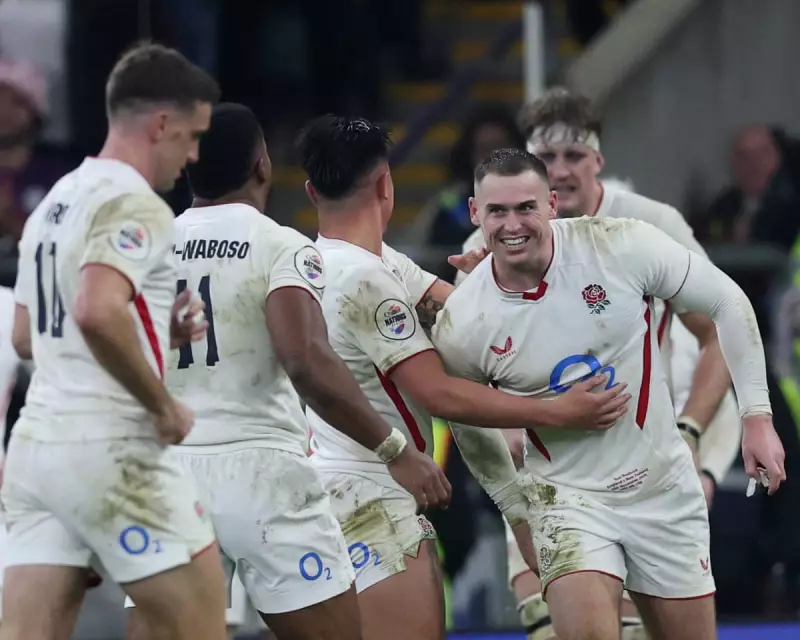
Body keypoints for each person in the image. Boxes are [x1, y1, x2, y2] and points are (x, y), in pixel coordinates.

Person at [296, 114, 633, 640]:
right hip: (372, 496)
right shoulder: (369, 279)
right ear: (387, 184)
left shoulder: (328, 261)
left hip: (319, 486)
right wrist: (555, 411)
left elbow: (458, 315)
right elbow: (440, 392)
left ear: (312, 190)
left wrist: (488, 286)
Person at [124, 103, 451, 640]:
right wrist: (395, 450)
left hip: (170, 468)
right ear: (262, 167)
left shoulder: (150, 248)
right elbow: (305, 358)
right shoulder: (282, 245)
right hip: (262, 474)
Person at [433, 148, 786, 640]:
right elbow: (463, 416)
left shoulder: (620, 245)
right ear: (476, 214)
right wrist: (518, 513)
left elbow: (728, 301)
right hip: (566, 499)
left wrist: (757, 418)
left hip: (662, 488)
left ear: (552, 204)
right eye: (497, 211)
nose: (513, 224)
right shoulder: (463, 321)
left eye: (526, 208)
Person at [1, 43, 228, 640]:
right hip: (111, 444)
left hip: (36, 451)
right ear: (161, 124)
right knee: (202, 624)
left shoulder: (55, 200)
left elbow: (28, 337)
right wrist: (162, 404)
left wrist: (156, 330)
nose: (194, 153)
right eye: (192, 134)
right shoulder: (134, 202)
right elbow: (98, 310)